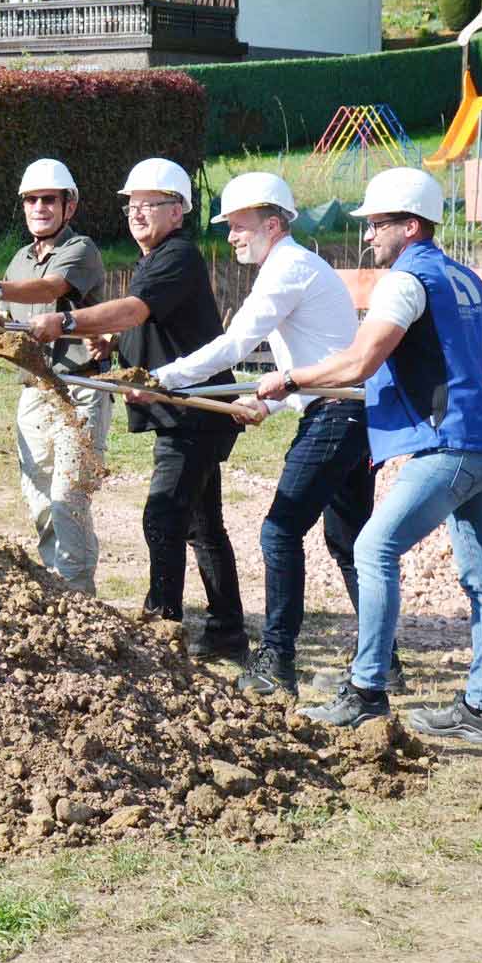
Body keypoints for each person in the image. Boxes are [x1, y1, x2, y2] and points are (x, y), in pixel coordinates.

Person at [258, 167, 482, 745]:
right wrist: (460, 377)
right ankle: (481, 710)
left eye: (376, 225)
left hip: (453, 444)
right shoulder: (466, 277)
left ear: (410, 225)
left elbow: (358, 363)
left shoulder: (405, 282)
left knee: (374, 547)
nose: (368, 236)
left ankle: (366, 689)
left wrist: (290, 379)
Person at [146, 172, 378, 698]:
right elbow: (316, 357)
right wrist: (268, 403)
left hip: (338, 413)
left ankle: (277, 660)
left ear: (273, 224)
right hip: (346, 410)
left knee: (279, 532)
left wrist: (163, 377)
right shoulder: (296, 267)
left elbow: (233, 345)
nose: (231, 237)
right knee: (349, 543)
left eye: (239, 226)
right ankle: (380, 656)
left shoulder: (287, 269)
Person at [29, 156, 247, 660]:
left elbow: (136, 310)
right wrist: (114, 342)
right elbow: (151, 324)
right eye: (132, 204)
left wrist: (65, 323)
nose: (137, 213)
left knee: (163, 515)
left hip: (193, 410)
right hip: (190, 409)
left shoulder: (177, 256)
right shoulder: (158, 261)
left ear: (178, 212)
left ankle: (163, 624)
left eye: (151, 204)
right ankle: (227, 631)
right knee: (202, 522)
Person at [0, 157, 108, 593]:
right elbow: (4, 319)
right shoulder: (19, 260)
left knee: (69, 498)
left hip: (79, 389)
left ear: (69, 206)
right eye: (31, 200)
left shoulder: (80, 250)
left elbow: (52, 290)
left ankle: (80, 594)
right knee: (39, 497)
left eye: (49, 199)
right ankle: (56, 581)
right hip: (34, 391)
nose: (39, 207)